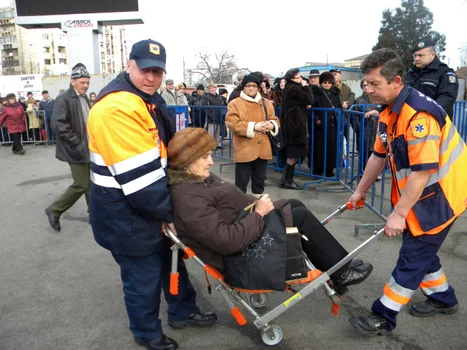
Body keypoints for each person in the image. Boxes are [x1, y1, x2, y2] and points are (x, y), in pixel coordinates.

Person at [87, 39, 216, 350]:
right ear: (129, 64)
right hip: (127, 212)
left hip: (147, 203)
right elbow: (140, 179)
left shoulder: (145, 99)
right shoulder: (117, 108)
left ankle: (182, 310)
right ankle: (146, 333)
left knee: (171, 260)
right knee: (142, 276)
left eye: (157, 71)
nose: (151, 77)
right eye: (145, 69)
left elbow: (165, 152)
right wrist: (172, 215)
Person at [347, 48, 467, 336]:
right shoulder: (390, 112)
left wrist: (399, 214)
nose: (368, 89)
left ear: (396, 81)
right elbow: (378, 156)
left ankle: (383, 316)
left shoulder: (419, 115)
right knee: (423, 251)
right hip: (425, 194)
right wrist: (359, 192)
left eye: (374, 84)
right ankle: (443, 297)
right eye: (366, 83)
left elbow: (422, 171)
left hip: (443, 196)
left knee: (413, 255)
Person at [167, 127, 373, 293]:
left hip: (245, 228)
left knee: (293, 204)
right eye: (205, 157)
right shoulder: (188, 197)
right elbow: (226, 241)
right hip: (239, 255)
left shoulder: (198, 179)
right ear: (186, 161)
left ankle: (338, 267)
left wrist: (262, 205)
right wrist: (259, 213)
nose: (211, 161)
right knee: (297, 215)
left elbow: (232, 203)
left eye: (210, 155)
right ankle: (342, 271)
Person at [44, 63, 92, 233]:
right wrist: (77, 144)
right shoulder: (63, 99)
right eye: (82, 82)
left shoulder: (85, 98)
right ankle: (54, 210)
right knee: (81, 184)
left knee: (90, 183)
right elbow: (59, 126)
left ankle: (93, 214)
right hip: (75, 149)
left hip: (89, 148)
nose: (85, 85)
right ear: (73, 82)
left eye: (87, 82)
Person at [225, 74, 280, 194]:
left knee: (259, 183)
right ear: (243, 87)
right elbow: (233, 123)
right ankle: (239, 208)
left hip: (263, 149)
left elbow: (274, 119)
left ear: (258, 87)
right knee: (241, 184)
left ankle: (259, 209)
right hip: (244, 148)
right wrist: (254, 126)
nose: (251, 88)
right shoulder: (235, 103)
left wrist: (271, 125)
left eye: (254, 86)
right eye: (248, 85)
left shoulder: (266, 103)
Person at [405, 38, 458, 119]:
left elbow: (447, 98)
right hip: (410, 120)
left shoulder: (445, 72)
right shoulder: (410, 73)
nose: (416, 58)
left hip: (434, 122)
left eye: (420, 55)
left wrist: (426, 112)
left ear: (432, 55)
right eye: (415, 55)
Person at [279, 68, 314, 189]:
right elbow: (309, 99)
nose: (301, 79)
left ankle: (285, 180)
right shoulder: (293, 88)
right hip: (294, 127)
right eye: (298, 77)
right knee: (293, 155)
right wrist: (305, 87)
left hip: (293, 126)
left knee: (293, 155)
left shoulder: (289, 88)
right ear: (292, 79)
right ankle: (287, 180)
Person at [310, 72, 342, 177]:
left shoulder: (335, 94)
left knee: (331, 148)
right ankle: (317, 169)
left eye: (329, 82)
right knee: (319, 148)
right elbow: (311, 110)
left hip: (333, 126)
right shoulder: (316, 93)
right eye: (325, 82)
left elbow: (339, 107)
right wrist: (317, 120)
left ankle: (329, 169)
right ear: (321, 83)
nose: (327, 84)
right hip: (320, 127)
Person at [353, 79, 378, 171]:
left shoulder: (377, 98)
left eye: (368, 85)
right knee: (364, 152)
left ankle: (375, 173)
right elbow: (354, 117)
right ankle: (363, 172)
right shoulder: (358, 100)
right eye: (364, 85)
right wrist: (360, 130)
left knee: (376, 153)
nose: (366, 87)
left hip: (376, 131)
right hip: (365, 130)